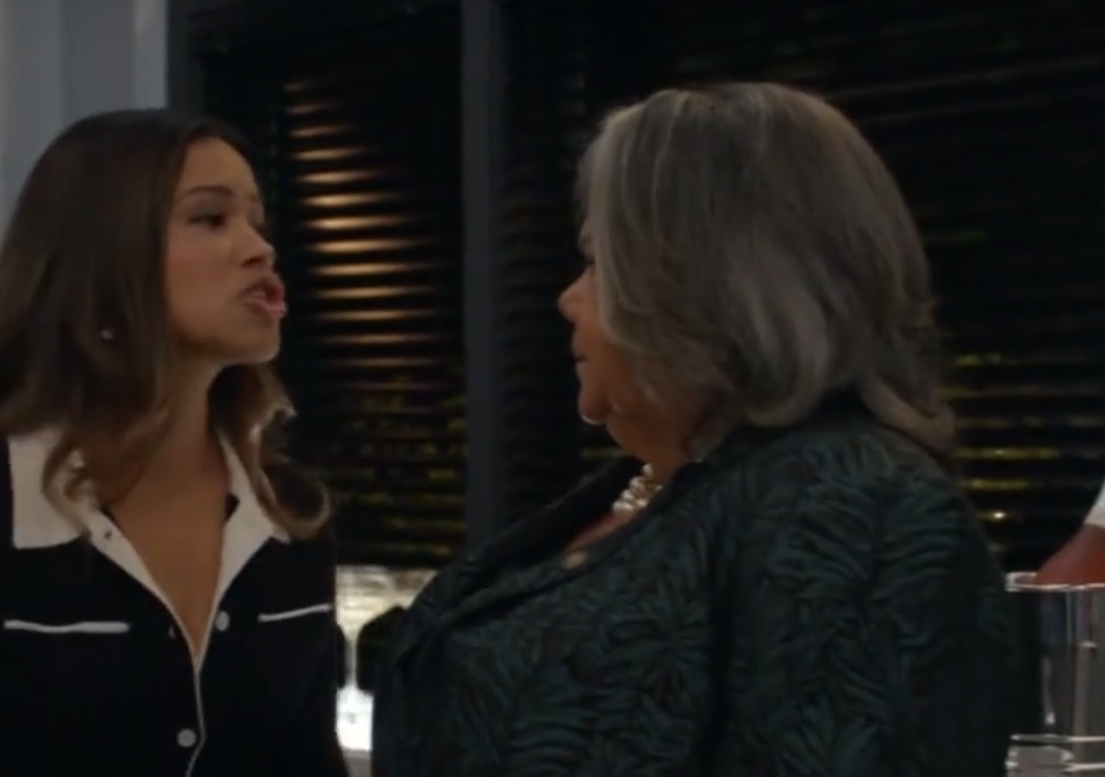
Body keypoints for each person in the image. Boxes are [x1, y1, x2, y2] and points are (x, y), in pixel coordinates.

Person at [372, 83, 1018, 777]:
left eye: (597, 262)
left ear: (699, 283)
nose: (567, 298)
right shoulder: (664, 483)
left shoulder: (857, 503)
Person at [0, 110, 347, 777]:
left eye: (257, 222)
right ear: (102, 259)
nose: (257, 249)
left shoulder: (289, 515)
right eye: (211, 218)